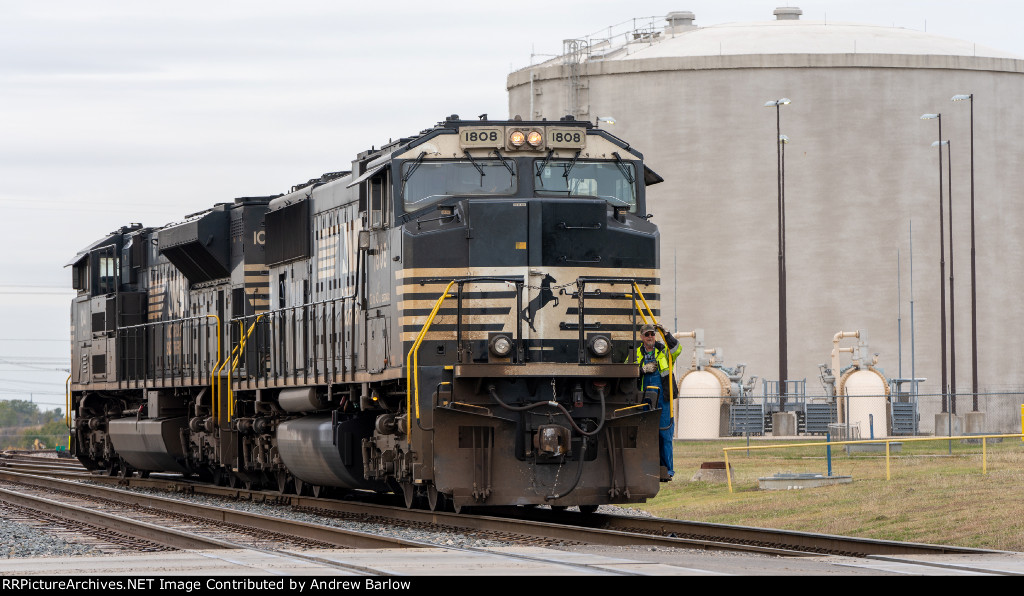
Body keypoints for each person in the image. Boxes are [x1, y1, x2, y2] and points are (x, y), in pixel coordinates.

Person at [634, 323, 681, 482]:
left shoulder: (664, 351)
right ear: (641, 337)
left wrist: (666, 333)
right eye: (647, 335)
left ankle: (667, 470)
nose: (650, 337)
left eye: (652, 334)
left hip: (663, 398)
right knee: (645, 434)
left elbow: (678, 349)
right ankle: (647, 469)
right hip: (643, 398)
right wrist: (642, 370)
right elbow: (627, 369)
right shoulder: (636, 354)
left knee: (665, 434)